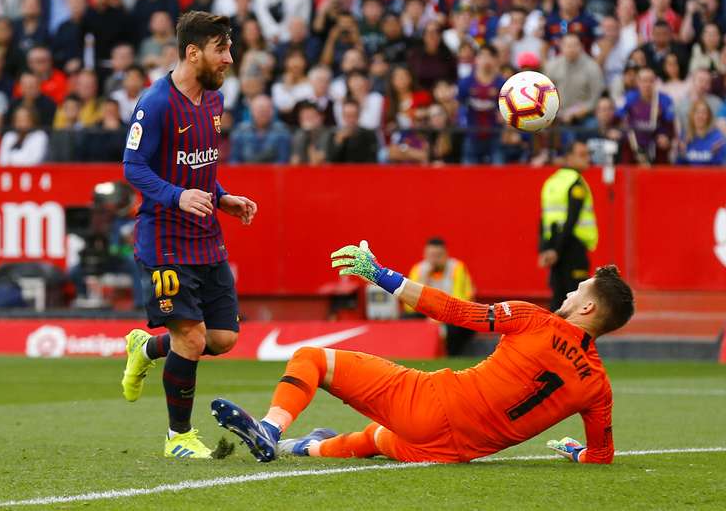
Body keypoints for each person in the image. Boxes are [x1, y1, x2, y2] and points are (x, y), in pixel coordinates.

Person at [210, 240, 634, 465]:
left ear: (588, 308)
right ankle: (299, 448)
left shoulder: (535, 319)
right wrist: (576, 450)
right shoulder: (597, 386)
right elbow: (602, 455)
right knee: (373, 439)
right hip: (452, 453)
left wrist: (380, 274)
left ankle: (270, 429)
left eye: (577, 291)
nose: (568, 292)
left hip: (432, 404)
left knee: (312, 358)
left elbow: (455, 310)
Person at [121, 11, 258, 460]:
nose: (230, 58)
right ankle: (178, 436)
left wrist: (221, 197)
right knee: (192, 338)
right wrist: (177, 197)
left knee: (222, 339)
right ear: (193, 51)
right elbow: (134, 167)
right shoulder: (155, 103)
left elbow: (199, 167)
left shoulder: (214, 103)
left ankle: (147, 346)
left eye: (230, 48)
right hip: (163, 241)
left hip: (205, 235)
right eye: (222, 49)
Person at [538, 141, 598, 312]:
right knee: (578, 299)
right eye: (582, 155)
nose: (588, 159)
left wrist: (545, 248)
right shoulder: (576, 183)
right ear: (569, 158)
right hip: (573, 247)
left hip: (554, 247)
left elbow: (544, 219)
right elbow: (571, 219)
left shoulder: (552, 182)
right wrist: (556, 250)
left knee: (558, 298)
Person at [404, 237, 475, 356]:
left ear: (446, 255)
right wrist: (424, 279)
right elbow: (409, 306)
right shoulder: (419, 270)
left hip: (451, 314)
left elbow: (460, 301)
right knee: (406, 320)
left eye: (438, 255)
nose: (434, 260)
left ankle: (452, 356)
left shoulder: (457, 268)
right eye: (431, 255)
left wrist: (438, 317)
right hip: (425, 313)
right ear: (425, 255)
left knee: (459, 327)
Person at [617, 67, 675, 165]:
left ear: (656, 82)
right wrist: (616, 131)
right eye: (644, 81)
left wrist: (666, 136)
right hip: (633, 142)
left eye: (651, 81)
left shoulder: (665, 100)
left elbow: (670, 125)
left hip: (655, 142)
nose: (647, 85)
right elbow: (616, 117)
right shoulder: (628, 97)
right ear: (638, 82)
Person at [230, 94, 292, 163]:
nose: (263, 114)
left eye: (266, 110)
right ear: (251, 111)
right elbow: (234, 160)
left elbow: (283, 161)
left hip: (273, 172)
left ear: (273, 112)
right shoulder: (240, 131)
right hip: (244, 172)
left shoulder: (282, 131)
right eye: (260, 110)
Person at [325, 98, 379, 163]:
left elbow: (372, 160)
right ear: (343, 116)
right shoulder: (333, 134)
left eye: (354, 115)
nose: (350, 120)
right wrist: (338, 143)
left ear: (359, 115)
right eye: (347, 115)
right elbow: (331, 161)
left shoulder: (369, 134)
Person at [677, 99, 726, 166]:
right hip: (689, 175)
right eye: (697, 112)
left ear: (708, 116)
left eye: (704, 113)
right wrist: (681, 154)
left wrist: (715, 156)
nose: (700, 116)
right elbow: (678, 167)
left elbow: (720, 167)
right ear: (691, 116)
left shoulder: (717, 137)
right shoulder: (684, 136)